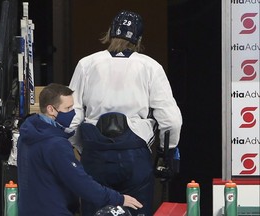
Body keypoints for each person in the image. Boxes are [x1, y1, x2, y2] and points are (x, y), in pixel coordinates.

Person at [69, 10, 182, 216]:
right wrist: (168, 151)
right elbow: (171, 120)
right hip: (134, 152)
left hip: (95, 151)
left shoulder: (86, 64)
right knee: (136, 210)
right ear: (138, 39)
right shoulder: (150, 66)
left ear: (110, 33)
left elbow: (72, 115)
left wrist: (81, 147)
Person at [17, 83, 143, 216]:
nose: (73, 112)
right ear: (51, 109)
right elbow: (80, 182)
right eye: (68, 108)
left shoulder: (26, 136)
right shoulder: (55, 144)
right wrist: (118, 198)